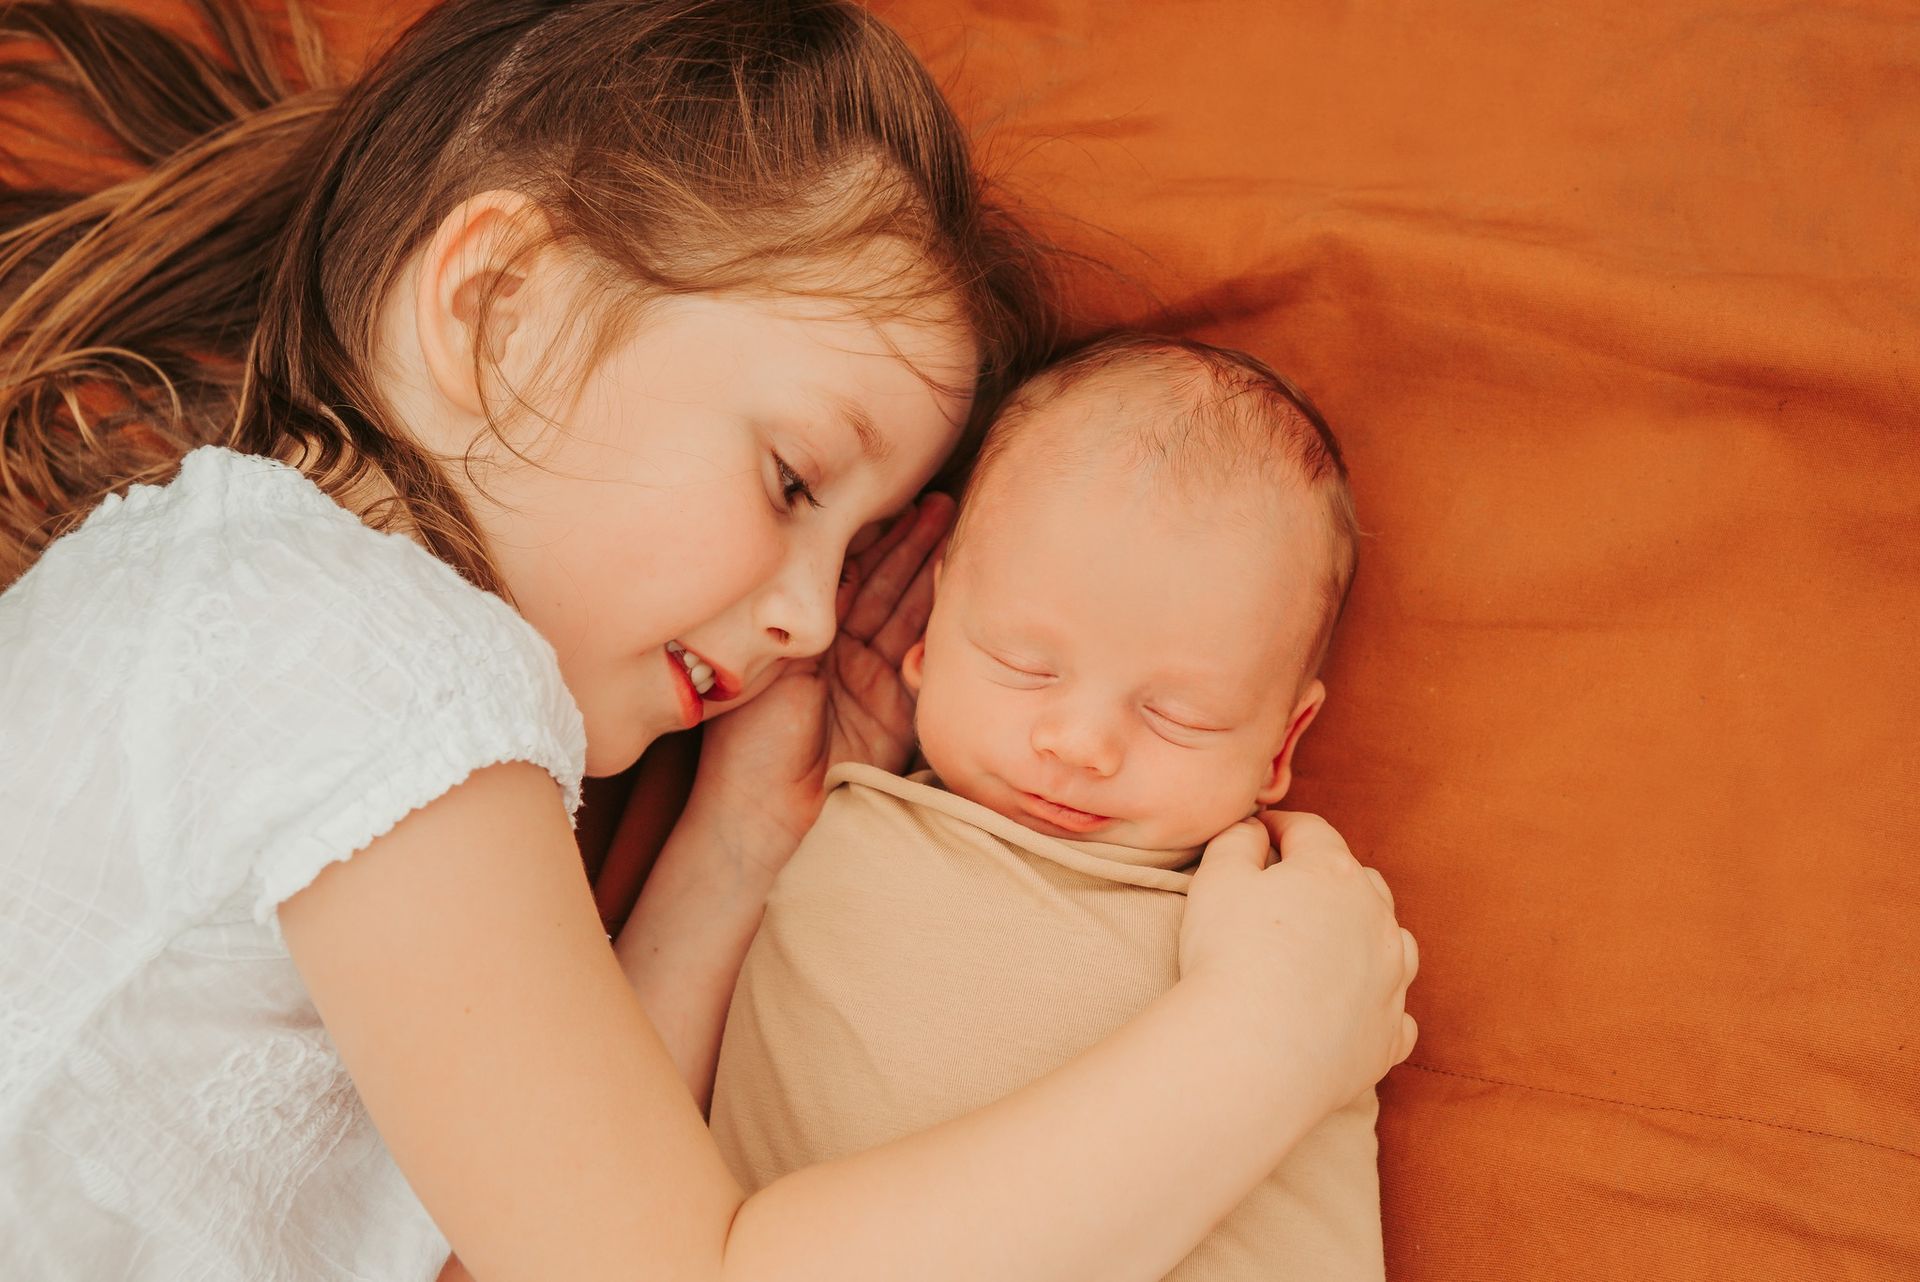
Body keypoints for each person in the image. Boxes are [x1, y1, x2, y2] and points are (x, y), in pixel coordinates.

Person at [0, 0, 1417, 1278]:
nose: (810, 616)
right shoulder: (369, 656)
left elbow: (555, 1222)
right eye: (794, 480)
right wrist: (1269, 1036)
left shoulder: (273, 610)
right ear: (498, 307)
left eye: (856, 553)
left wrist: (737, 839)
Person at [710, 334, 1386, 1280]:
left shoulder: (1275, 935)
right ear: (930, 634)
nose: (1080, 745)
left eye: (1177, 715)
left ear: (1279, 745)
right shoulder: (822, 810)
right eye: (1025, 666)